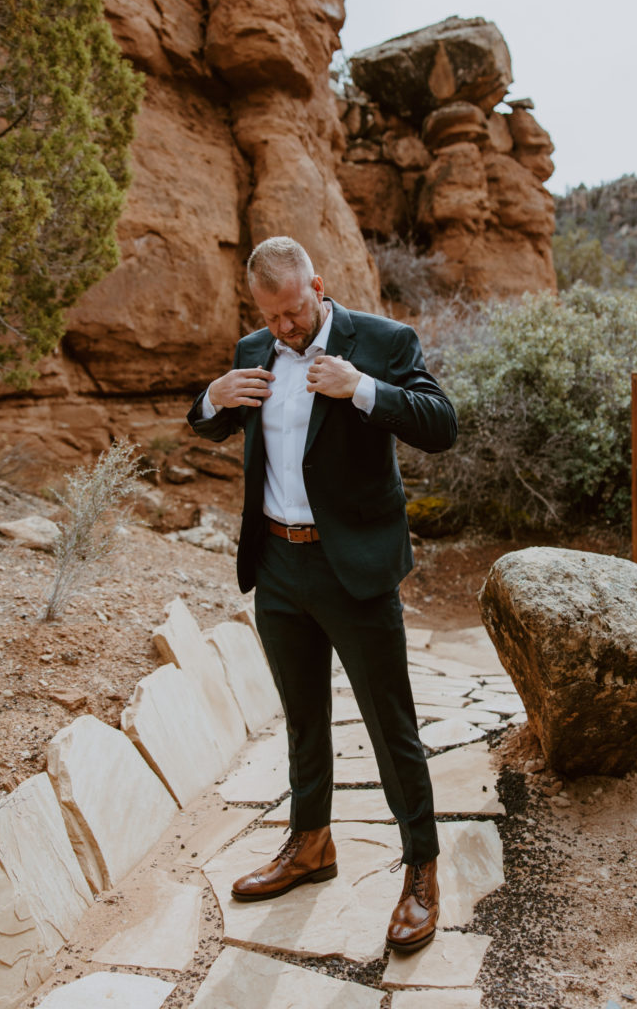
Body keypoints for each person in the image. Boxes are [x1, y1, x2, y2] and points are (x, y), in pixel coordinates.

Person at [187, 236, 457, 953]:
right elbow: (211, 423)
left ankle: (421, 872)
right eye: (271, 317)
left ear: (319, 286)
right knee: (303, 720)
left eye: (295, 312)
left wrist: (361, 389)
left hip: (354, 571)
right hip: (277, 565)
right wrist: (211, 397)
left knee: (389, 726)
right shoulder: (254, 348)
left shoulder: (382, 339)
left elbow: (440, 425)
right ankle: (310, 845)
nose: (285, 330)